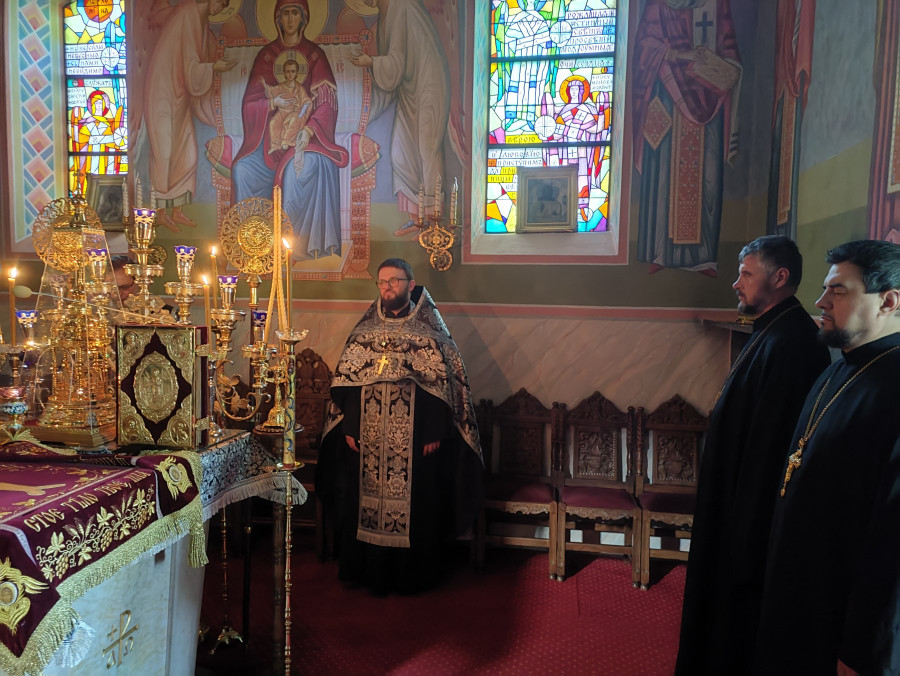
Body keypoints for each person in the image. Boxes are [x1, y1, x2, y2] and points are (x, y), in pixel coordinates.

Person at [676, 235, 831, 675]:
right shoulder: (771, 330)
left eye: (746, 273)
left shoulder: (792, 343)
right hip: (732, 506)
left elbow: (771, 450)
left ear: (779, 277)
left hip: (749, 521)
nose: (736, 283)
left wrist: (743, 535)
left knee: (738, 630)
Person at [753, 240, 900, 675]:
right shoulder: (838, 369)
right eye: (824, 289)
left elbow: (893, 542)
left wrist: (865, 650)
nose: (820, 301)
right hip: (799, 585)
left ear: (889, 301)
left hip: (842, 612)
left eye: (838, 290)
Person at [317, 258, 483, 595]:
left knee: (417, 503)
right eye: (382, 281)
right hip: (369, 436)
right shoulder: (365, 331)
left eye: (394, 280)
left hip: (417, 436)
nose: (388, 287)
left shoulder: (430, 330)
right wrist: (350, 426)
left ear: (410, 283)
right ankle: (368, 573)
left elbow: (445, 386)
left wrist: (435, 431)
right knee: (364, 500)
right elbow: (349, 383)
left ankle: (411, 577)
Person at [232, 0, 349, 261]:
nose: (291, 18)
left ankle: (292, 251)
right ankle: (253, 247)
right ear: (277, 18)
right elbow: (250, 103)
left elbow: (326, 103)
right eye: (286, 13)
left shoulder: (315, 56)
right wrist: (272, 103)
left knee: (298, 173)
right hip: (267, 146)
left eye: (296, 13)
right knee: (242, 170)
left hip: (308, 140)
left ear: (304, 17)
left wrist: (309, 130)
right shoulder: (266, 57)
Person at [633, 0, 742, 273]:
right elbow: (644, 46)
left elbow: (730, 49)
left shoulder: (716, 5)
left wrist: (723, 66)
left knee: (707, 176)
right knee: (663, 178)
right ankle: (660, 252)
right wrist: (677, 55)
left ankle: (702, 256)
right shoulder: (658, 6)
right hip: (667, 98)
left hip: (708, 100)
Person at [348, 0, 450, 230]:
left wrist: (370, 61)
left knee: (427, 148)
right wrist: (362, 114)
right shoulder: (385, 14)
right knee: (400, 153)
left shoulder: (400, 6)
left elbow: (395, 63)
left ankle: (434, 223)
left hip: (429, 85)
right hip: (408, 89)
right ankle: (418, 219)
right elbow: (392, 75)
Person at [144, 0, 236, 232]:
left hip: (180, 94)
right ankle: (160, 213)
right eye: (221, 2)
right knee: (164, 152)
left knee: (188, 153)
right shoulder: (188, 14)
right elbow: (192, 66)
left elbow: (192, 63)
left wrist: (212, 63)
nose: (221, 8)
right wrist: (213, 67)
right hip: (162, 91)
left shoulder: (200, 21)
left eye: (225, 5)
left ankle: (177, 210)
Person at [265, 59, 313, 155]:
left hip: (295, 112)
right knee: (273, 122)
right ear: (284, 73)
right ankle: (275, 146)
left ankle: (286, 141)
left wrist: (301, 113)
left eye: (292, 71)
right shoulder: (280, 87)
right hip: (282, 112)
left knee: (294, 121)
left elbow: (306, 101)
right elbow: (269, 91)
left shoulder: (299, 88)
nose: (290, 74)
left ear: (296, 73)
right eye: (287, 71)